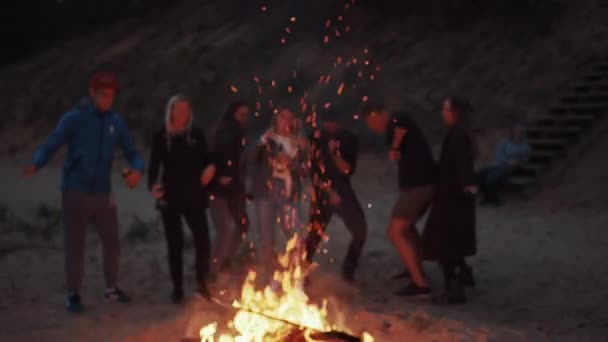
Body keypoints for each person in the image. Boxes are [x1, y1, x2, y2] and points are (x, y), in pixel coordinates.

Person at [22, 71, 144, 313]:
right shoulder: (74, 119)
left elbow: (133, 151)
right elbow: (52, 143)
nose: (107, 99)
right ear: (92, 93)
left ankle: (111, 289)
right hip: (75, 190)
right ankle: (73, 294)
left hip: (103, 193)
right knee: (75, 246)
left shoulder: (115, 122)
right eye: (102, 94)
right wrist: (36, 163)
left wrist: (137, 170)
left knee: (112, 244)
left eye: (111, 95)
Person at [362, 101, 436, 297]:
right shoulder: (392, 128)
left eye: (373, 121)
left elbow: (402, 127)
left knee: (395, 232)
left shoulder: (398, 118)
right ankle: (415, 269)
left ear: (381, 114)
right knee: (408, 228)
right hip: (419, 185)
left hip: (418, 186)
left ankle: (420, 285)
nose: (373, 127)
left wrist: (395, 147)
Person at [148, 94, 216, 303]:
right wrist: (152, 186)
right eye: (178, 110)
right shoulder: (162, 137)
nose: (182, 114)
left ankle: (202, 283)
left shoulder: (196, 134)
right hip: (170, 196)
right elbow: (153, 165)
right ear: (171, 111)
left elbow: (208, 158)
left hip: (194, 194)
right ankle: (177, 287)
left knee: (203, 241)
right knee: (174, 243)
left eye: (186, 110)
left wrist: (211, 168)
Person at [422, 98, 478, 304]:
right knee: (452, 241)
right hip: (455, 196)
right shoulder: (462, 132)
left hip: (451, 198)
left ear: (454, 112)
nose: (442, 112)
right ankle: (462, 272)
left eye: (445, 109)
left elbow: (460, 162)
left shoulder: (457, 134)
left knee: (442, 243)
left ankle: (454, 288)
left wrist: (465, 184)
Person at [306, 106, 367, 283]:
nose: (330, 126)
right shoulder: (316, 139)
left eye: (334, 122)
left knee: (360, 230)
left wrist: (334, 154)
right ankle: (302, 272)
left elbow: (347, 169)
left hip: (344, 193)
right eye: (327, 122)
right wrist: (329, 191)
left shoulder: (348, 140)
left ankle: (348, 269)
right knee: (313, 236)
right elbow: (313, 173)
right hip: (322, 193)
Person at [250, 105, 309, 281]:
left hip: (288, 189)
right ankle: (268, 275)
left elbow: (306, 171)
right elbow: (250, 160)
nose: (286, 121)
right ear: (276, 118)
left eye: (290, 117)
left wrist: (291, 162)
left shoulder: (299, 142)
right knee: (266, 236)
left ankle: (298, 273)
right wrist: (262, 141)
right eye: (283, 116)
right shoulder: (267, 139)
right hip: (267, 189)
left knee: (294, 233)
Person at [208, 100, 250, 274]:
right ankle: (213, 269)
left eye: (246, 115)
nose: (243, 118)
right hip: (221, 188)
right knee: (224, 228)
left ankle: (225, 260)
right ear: (232, 113)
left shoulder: (235, 130)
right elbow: (223, 151)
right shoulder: (229, 130)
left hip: (234, 188)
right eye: (241, 114)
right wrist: (225, 172)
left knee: (241, 224)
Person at [477, 124, 531, 206]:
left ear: (523, 135)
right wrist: (507, 160)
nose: (518, 135)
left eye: (521, 133)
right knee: (480, 175)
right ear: (512, 133)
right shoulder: (505, 142)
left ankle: (494, 201)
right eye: (516, 133)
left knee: (491, 178)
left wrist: (517, 162)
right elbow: (498, 154)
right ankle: (486, 198)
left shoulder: (525, 146)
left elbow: (524, 159)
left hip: (510, 168)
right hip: (498, 164)